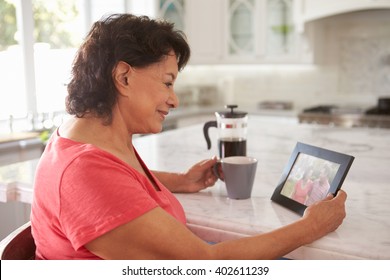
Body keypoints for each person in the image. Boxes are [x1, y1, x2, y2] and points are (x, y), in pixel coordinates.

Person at [30, 13, 347, 260]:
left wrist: (181, 180)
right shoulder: (83, 173)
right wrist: (311, 227)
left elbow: (117, 184)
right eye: (167, 83)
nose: (174, 99)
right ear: (124, 77)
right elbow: (204, 262)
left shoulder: (83, 138)